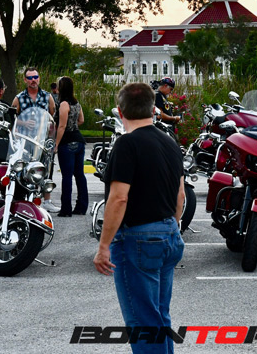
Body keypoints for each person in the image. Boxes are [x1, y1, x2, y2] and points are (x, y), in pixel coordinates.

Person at [93, 82, 185, 354]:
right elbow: (180, 195)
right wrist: (172, 227)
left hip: (138, 239)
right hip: (169, 233)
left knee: (143, 322)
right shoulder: (170, 143)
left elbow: (118, 198)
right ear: (153, 109)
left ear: (120, 112)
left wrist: (103, 246)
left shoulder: (126, 144)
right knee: (159, 316)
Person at [12, 67, 59, 212]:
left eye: (35, 77)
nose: (33, 80)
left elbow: (52, 115)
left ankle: (47, 200)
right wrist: (24, 123)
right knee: (24, 169)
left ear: (39, 78)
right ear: (25, 80)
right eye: (30, 78)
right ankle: (23, 198)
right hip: (25, 140)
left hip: (42, 140)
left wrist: (50, 132)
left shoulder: (47, 97)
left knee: (46, 167)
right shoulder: (19, 98)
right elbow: (12, 119)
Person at [53, 76, 88, 217]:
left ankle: (66, 209)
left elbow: (61, 126)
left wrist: (56, 144)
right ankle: (82, 206)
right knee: (80, 175)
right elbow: (81, 120)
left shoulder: (63, 104)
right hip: (79, 140)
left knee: (66, 176)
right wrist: (73, 124)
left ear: (61, 88)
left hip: (67, 142)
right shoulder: (76, 102)